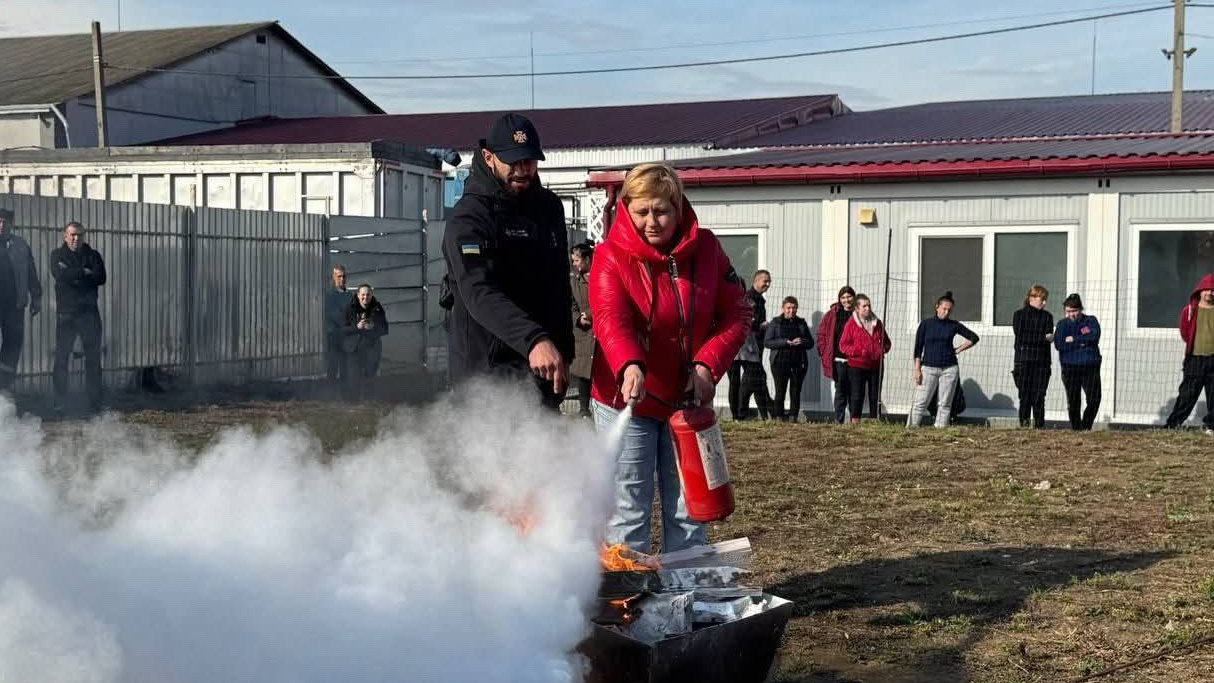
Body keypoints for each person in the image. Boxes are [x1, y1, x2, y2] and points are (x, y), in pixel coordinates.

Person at [589, 163, 750, 554]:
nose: (652, 222)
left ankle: (688, 596)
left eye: (661, 211)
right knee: (629, 510)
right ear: (626, 209)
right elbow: (610, 317)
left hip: (688, 399)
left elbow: (736, 313)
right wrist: (629, 363)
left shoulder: (708, 249)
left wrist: (707, 365)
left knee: (691, 508)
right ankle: (629, 606)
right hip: (627, 398)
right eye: (641, 212)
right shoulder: (609, 255)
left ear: (678, 209)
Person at [442, 113, 573, 411]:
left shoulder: (549, 209)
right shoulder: (469, 217)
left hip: (543, 368)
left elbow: (557, 284)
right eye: (513, 161)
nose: (523, 170)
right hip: (486, 373)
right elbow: (478, 290)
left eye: (529, 160)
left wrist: (564, 349)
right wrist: (534, 339)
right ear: (489, 157)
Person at [50, 221, 106, 413]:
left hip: (89, 314)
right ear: (65, 236)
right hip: (66, 314)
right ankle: (60, 402)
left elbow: (101, 277)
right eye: (72, 235)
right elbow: (60, 275)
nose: (76, 238)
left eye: (80, 235)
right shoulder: (57, 255)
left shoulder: (93, 255)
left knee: (93, 359)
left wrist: (74, 274)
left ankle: (95, 402)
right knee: (61, 358)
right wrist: (85, 272)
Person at [907, 291, 979, 428]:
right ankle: (911, 428)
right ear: (937, 307)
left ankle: (940, 430)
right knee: (920, 401)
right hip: (928, 367)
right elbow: (918, 349)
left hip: (949, 368)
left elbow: (973, 337)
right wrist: (917, 369)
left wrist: (958, 349)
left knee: (944, 403)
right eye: (944, 309)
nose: (946, 312)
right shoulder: (926, 324)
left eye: (949, 310)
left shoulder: (953, 325)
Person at [1165, 274, 1214, 433]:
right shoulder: (1189, 310)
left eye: (1213, 291)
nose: (1210, 293)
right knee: (1187, 394)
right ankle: (1173, 425)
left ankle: (1211, 426)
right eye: (1207, 290)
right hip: (1195, 358)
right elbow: (1185, 333)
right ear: (1200, 291)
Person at [0, 210, 41, 393]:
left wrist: (36, 296)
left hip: (14, 306)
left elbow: (31, 272)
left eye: (5, 222)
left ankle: (4, 390)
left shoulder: (21, 245)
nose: (2, 226)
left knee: (13, 344)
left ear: (11, 224)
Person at [839, 294, 891, 423]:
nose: (867, 308)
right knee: (857, 394)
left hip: (876, 365)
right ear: (857, 308)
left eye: (869, 305)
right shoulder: (851, 324)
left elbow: (887, 342)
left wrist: (882, 349)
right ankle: (855, 420)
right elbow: (843, 345)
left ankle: (875, 420)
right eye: (864, 306)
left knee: (875, 395)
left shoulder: (877, 323)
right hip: (857, 365)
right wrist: (859, 352)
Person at [728, 270, 772, 420]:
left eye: (769, 282)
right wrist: (760, 325)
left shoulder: (754, 299)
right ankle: (740, 413)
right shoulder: (750, 299)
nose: (768, 284)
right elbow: (748, 323)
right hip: (743, 347)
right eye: (765, 281)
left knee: (751, 379)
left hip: (748, 346)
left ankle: (752, 413)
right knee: (742, 381)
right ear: (756, 281)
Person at [1054, 293, 1102, 431]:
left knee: (1094, 398)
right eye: (1068, 311)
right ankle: (1076, 428)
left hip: (1090, 365)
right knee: (1074, 399)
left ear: (1080, 309)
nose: (1071, 314)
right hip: (1070, 367)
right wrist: (1082, 341)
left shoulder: (1090, 321)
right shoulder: (1062, 324)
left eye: (1074, 311)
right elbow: (1059, 344)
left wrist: (1073, 339)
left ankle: (1086, 425)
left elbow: (1094, 336)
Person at [1012, 284, 1055, 428]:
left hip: (1042, 362)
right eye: (1042, 299)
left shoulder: (1047, 316)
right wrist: (1042, 338)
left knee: (1039, 396)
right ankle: (1024, 426)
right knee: (1024, 396)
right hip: (1023, 361)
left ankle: (1039, 426)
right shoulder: (1019, 315)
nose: (1044, 302)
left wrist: (1039, 338)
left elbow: (1049, 336)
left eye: (1045, 299)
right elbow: (1022, 336)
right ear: (1031, 298)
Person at [763, 296, 812, 421]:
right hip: (779, 362)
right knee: (780, 391)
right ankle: (779, 417)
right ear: (783, 308)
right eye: (789, 308)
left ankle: (793, 417)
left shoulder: (801, 323)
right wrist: (785, 342)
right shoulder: (775, 322)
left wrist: (801, 341)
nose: (792, 311)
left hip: (798, 362)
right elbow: (767, 342)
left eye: (794, 308)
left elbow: (810, 342)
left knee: (795, 392)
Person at [816, 286, 856, 423]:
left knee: (854, 390)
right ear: (840, 299)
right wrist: (824, 352)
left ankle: (854, 420)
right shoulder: (832, 314)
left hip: (855, 360)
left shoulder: (859, 313)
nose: (846, 300)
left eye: (849, 296)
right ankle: (838, 420)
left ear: (854, 297)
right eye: (843, 297)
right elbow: (821, 334)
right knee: (840, 389)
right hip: (839, 359)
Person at [341, 284, 388, 399]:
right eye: (363, 295)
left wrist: (373, 327)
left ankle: (369, 402)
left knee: (370, 377)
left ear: (371, 295)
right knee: (353, 379)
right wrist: (356, 327)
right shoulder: (349, 308)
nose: (365, 297)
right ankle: (353, 403)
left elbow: (385, 329)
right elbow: (342, 329)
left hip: (371, 348)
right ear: (358, 295)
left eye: (368, 295)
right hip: (353, 348)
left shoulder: (377, 308)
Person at [569, 242, 595, 419]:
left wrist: (590, 314)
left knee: (597, 372)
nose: (575, 264)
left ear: (587, 259)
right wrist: (579, 318)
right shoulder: (573, 281)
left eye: (577, 260)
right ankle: (584, 409)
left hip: (598, 330)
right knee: (583, 373)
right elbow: (570, 304)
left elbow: (605, 300)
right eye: (573, 260)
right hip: (582, 332)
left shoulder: (600, 276)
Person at [325, 264, 352, 389]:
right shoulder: (330, 295)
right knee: (333, 365)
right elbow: (335, 315)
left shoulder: (349, 295)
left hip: (345, 335)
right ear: (333, 278)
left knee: (345, 365)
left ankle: (344, 392)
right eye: (339, 276)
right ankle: (330, 393)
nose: (342, 279)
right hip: (334, 335)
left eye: (344, 276)